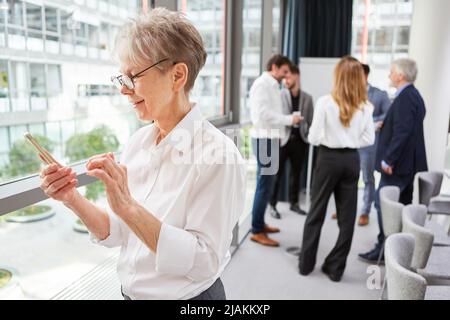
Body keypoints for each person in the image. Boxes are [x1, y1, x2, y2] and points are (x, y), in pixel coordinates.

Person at [38, 8, 246, 300]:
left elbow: (204, 262)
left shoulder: (218, 156)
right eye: (121, 78)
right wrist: (71, 198)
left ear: (177, 75)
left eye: (133, 76)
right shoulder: (138, 143)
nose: (124, 90)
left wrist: (129, 208)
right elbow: (118, 231)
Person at [298, 56, 375, 282]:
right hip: (351, 160)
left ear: (339, 76)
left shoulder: (325, 102)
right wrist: (349, 141)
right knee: (347, 218)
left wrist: (330, 138)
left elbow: (313, 137)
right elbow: (369, 139)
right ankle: (335, 268)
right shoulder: (366, 107)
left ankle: (306, 264)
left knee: (316, 212)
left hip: (328, 159)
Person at [358, 58, 428, 264]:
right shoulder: (413, 95)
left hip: (398, 166)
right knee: (402, 205)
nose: (389, 75)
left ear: (401, 75)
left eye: (391, 72)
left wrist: (389, 159)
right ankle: (399, 249)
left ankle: (384, 248)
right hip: (407, 164)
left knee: (383, 205)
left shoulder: (406, 97)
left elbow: (402, 132)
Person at [249, 54, 302, 247]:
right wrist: (289, 120)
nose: (287, 75)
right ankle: (256, 230)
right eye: (284, 71)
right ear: (274, 67)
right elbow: (261, 115)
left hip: (270, 140)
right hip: (264, 140)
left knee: (266, 185)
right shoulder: (262, 85)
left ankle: (259, 224)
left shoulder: (273, 86)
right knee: (264, 186)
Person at [332, 64, 391, 225]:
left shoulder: (379, 95)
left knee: (367, 178)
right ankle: (342, 209)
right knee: (346, 179)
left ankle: (365, 212)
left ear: (364, 75)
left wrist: (372, 122)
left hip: (367, 147)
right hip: (348, 144)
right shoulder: (347, 94)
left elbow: (389, 114)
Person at [269, 64, 313, 218]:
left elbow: (311, 121)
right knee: (277, 174)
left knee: (296, 174)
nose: (286, 80)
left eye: (288, 76)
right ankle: (272, 205)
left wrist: (305, 127)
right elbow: (275, 117)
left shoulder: (307, 98)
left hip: (300, 141)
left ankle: (294, 204)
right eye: (284, 76)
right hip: (283, 140)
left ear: (297, 76)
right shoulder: (280, 95)